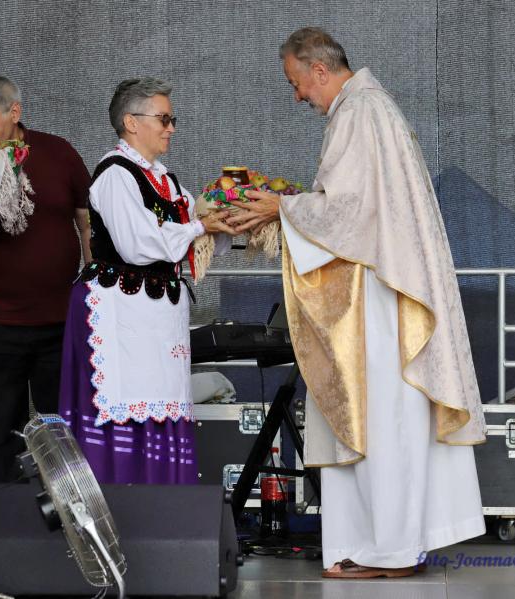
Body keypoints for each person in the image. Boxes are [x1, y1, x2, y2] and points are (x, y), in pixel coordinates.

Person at [229, 27, 487, 578]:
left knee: (380, 417)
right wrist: (290, 205)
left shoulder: (359, 112)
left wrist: (280, 207)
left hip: (376, 294)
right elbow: (353, 207)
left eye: (297, 83)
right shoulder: (373, 107)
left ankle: (389, 549)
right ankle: (387, 544)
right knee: (387, 418)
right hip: (382, 283)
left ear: (319, 70)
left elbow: (348, 212)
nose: (297, 96)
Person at [58, 78, 234, 484]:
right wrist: (198, 227)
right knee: (124, 406)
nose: (171, 128)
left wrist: (231, 219)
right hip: (119, 314)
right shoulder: (115, 175)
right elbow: (137, 244)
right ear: (131, 122)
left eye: (172, 119)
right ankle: (120, 500)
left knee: (162, 403)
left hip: (154, 318)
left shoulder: (166, 180)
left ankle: (165, 501)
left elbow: (198, 232)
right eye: (164, 119)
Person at [0, 74, 92, 480]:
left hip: (58, 319)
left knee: (64, 430)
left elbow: (86, 221)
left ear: (14, 112)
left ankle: (71, 508)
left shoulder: (58, 152)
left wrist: (93, 285)